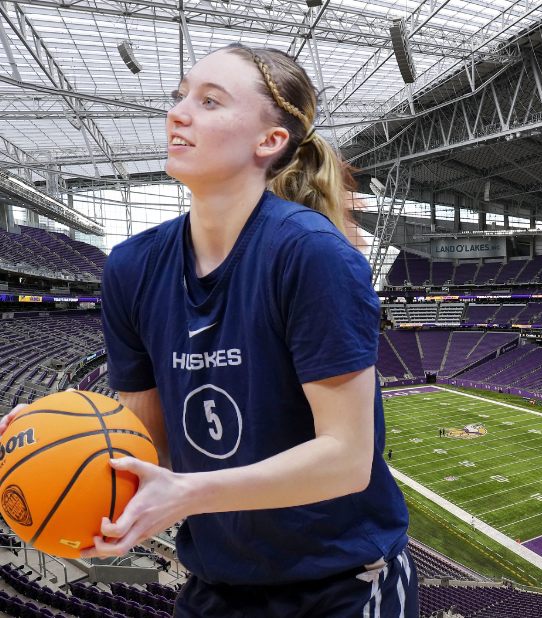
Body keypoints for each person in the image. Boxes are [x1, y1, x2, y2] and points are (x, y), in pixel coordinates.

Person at [0, 44, 421, 618]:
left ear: (269, 142)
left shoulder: (311, 255)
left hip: (341, 579)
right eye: (179, 98)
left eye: (209, 101)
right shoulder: (130, 267)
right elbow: (147, 445)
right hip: (218, 578)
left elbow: (347, 459)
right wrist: (50, 437)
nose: (177, 112)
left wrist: (191, 494)